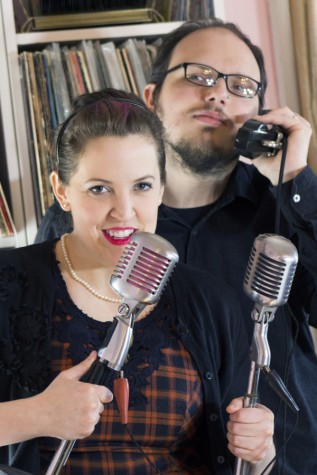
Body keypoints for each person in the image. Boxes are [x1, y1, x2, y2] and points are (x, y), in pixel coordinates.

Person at [35, 19, 317, 475]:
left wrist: (295, 180)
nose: (218, 94)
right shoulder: (90, 218)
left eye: (241, 85)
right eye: (199, 75)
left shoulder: (287, 206)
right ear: (151, 99)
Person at [0, 88, 274, 475]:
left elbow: (252, 465)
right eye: (99, 188)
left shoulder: (212, 302)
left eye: (142, 186)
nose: (124, 211)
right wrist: (35, 415)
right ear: (61, 191)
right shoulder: (8, 283)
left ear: (162, 189)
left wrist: (260, 450)